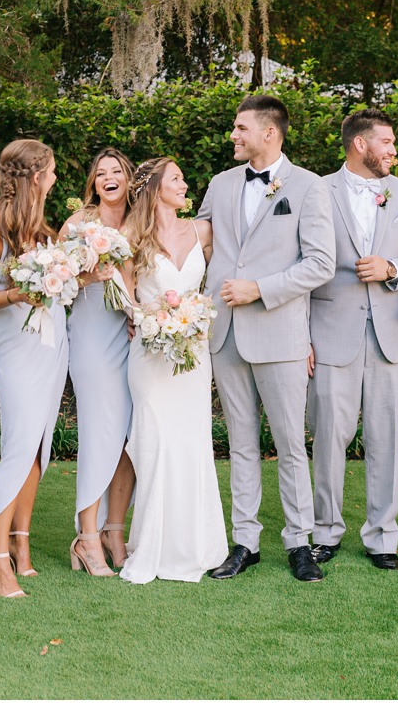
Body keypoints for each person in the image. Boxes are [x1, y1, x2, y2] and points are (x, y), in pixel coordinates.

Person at [195, 93, 336, 581]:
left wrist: (260, 289)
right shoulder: (220, 183)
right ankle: (245, 541)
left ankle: (300, 542)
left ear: (269, 133)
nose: (233, 136)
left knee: (291, 442)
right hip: (225, 333)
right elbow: (200, 243)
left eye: (240, 129)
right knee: (239, 442)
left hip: (279, 332)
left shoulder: (311, 188)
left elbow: (320, 263)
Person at [308, 108, 398, 569]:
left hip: (391, 336)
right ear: (360, 145)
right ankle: (325, 530)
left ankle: (383, 537)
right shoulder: (316, 189)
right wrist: (303, 338)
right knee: (329, 437)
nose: (394, 150)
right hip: (329, 334)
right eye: (387, 142)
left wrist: (393, 269)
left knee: (387, 438)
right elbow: (302, 260)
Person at [115, 157, 229, 584]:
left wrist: (194, 316)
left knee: (192, 442)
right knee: (155, 443)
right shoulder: (130, 236)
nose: (185, 184)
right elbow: (125, 296)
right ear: (155, 187)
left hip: (195, 354)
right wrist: (148, 319)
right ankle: (151, 547)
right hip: (149, 354)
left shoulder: (203, 231)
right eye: (177, 179)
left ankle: (199, 546)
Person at [0, 138, 71, 598]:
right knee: (17, 447)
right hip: (17, 347)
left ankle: (21, 544)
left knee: (38, 447)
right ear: (35, 178)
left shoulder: (44, 231)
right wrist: (15, 294)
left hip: (53, 344)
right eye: (49, 172)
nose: (53, 179)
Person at [60, 147, 136, 574]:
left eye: (117, 172)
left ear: (128, 179)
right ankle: (86, 537)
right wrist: (94, 274)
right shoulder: (79, 223)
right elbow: (57, 276)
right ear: (93, 182)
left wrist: (141, 314)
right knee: (100, 429)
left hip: (132, 333)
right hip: (92, 331)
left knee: (130, 436)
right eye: (101, 173)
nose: (109, 178)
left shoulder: (141, 221)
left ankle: (115, 530)